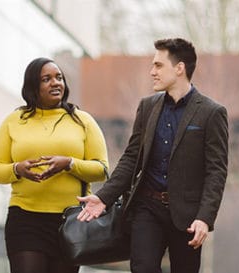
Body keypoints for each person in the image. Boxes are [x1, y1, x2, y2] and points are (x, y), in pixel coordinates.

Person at [77, 38, 229, 273]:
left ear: (179, 68)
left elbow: (216, 172)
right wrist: (104, 197)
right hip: (146, 208)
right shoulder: (147, 107)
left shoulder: (212, 112)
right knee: (142, 268)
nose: (152, 72)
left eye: (158, 65)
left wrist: (204, 218)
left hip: (187, 216)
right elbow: (131, 158)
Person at [0, 57, 109, 273]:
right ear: (33, 86)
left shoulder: (83, 121)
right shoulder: (13, 121)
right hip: (25, 219)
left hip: (70, 222)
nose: (56, 83)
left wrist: (69, 164)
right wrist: (18, 169)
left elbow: (102, 169)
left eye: (59, 78)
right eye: (47, 79)